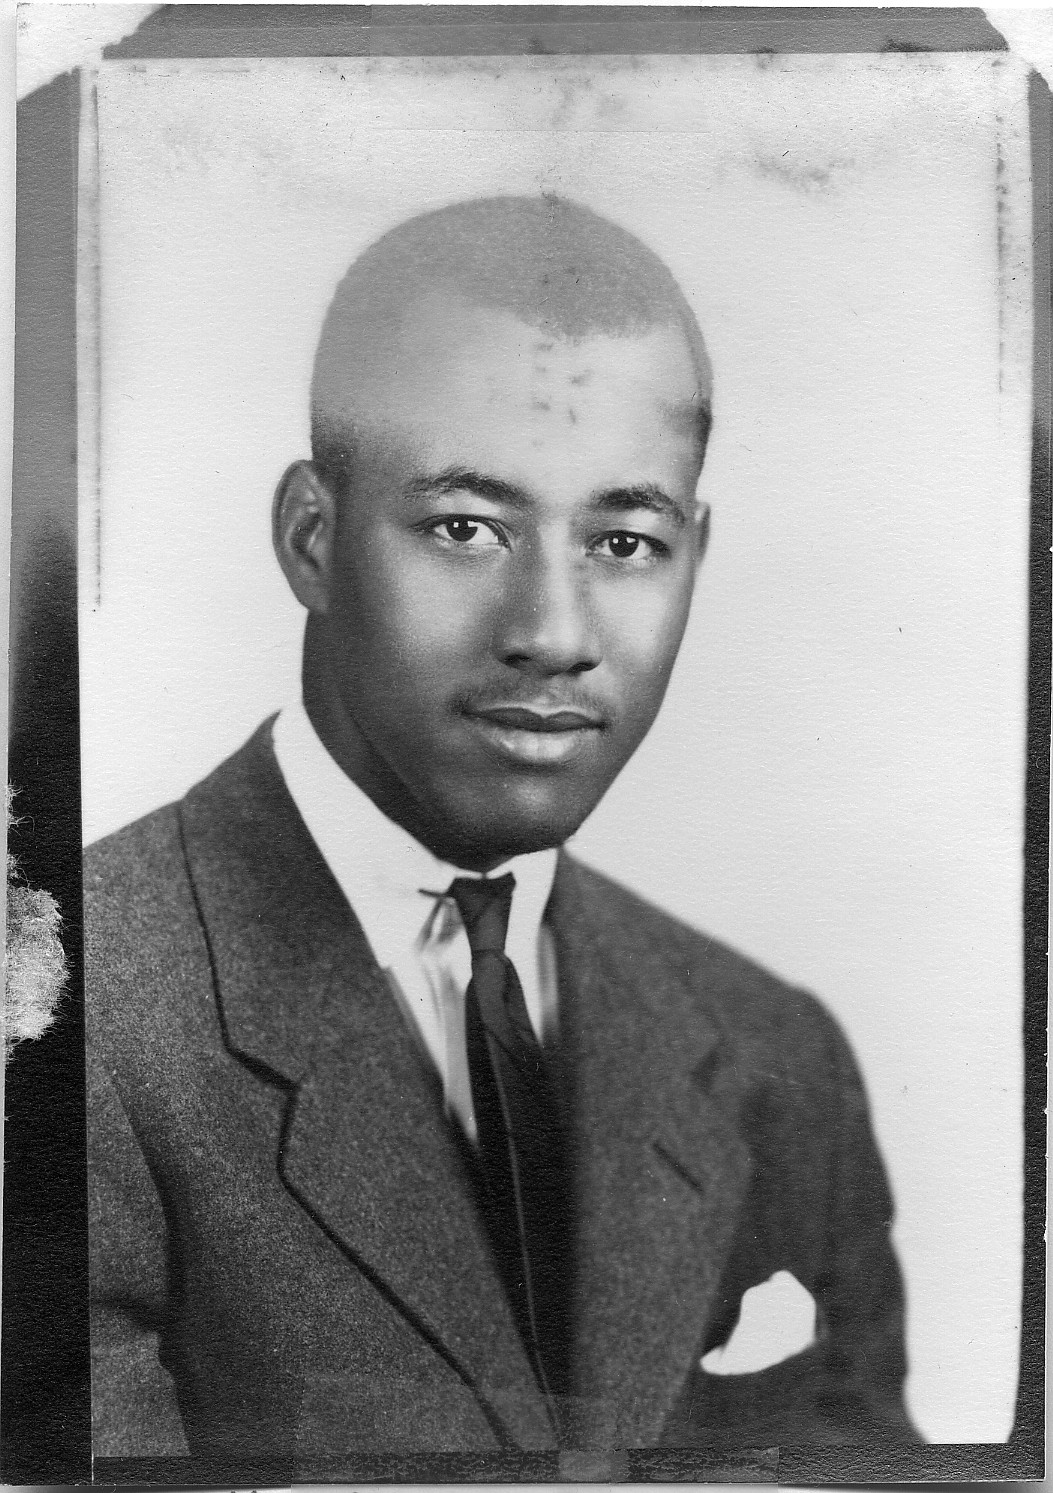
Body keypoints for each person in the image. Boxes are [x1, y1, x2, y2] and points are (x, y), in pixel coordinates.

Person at [85, 195, 916, 1473]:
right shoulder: (71, 1022)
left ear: (696, 555)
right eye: (467, 526)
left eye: (626, 540)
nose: (554, 628)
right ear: (311, 536)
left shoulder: (773, 1053)